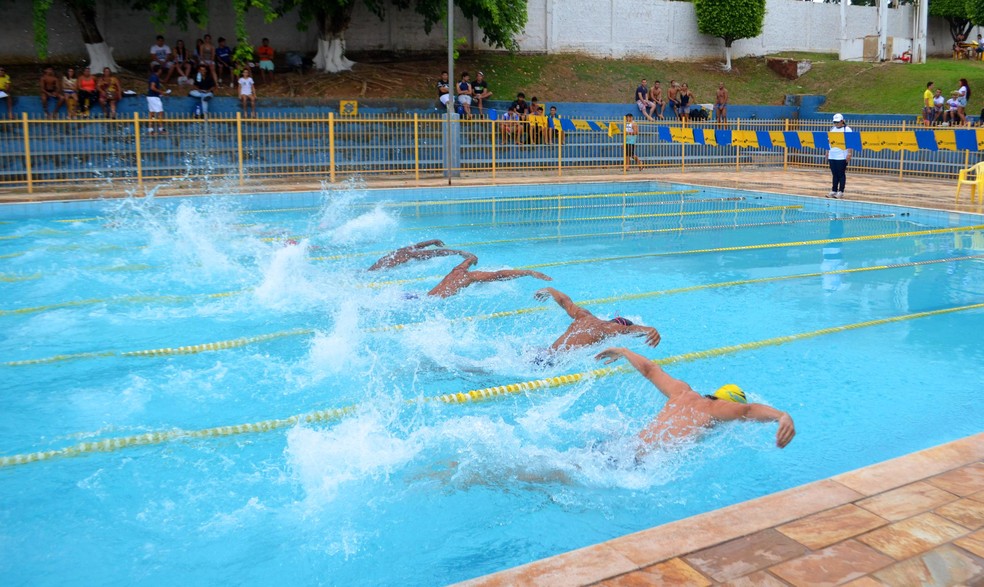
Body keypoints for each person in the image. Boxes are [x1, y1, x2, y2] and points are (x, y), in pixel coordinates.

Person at [595, 347, 796, 454]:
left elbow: (651, 370)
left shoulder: (682, 392)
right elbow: (748, 410)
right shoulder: (714, 409)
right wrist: (781, 415)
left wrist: (624, 351)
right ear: (727, 403)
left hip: (624, 446)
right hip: (637, 463)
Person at [534, 287, 660, 352]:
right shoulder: (608, 328)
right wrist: (649, 329)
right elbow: (629, 329)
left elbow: (565, 301)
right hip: (551, 364)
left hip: (543, 352)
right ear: (616, 325)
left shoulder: (585, 316)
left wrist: (550, 290)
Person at [427, 254, 551, 298]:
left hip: (424, 296)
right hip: (434, 302)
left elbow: (468, 261)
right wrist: (528, 272)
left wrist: (472, 258)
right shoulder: (471, 276)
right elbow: (499, 275)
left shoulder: (457, 271)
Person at [368, 240, 469, 271]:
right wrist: (459, 252)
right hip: (375, 273)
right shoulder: (411, 254)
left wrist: (432, 241)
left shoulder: (402, 251)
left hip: (370, 270)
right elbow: (436, 253)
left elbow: (417, 245)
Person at [826, 113, 853, 199]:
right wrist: (827, 152)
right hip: (832, 154)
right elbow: (829, 142)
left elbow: (850, 142)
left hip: (841, 155)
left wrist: (849, 153)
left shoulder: (847, 129)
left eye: (838, 122)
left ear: (842, 121)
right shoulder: (833, 129)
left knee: (841, 174)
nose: (836, 124)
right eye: (835, 122)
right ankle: (834, 190)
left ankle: (841, 191)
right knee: (834, 174)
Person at [147, 63, 166, 133]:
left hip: (151, 97)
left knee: (151, 113)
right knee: (160, 112)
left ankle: (150, 129)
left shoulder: (153, 77)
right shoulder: (154, 77)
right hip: (154, 97)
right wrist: (161, 92)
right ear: (159, 70)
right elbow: (152, 87)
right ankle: (161, 129)